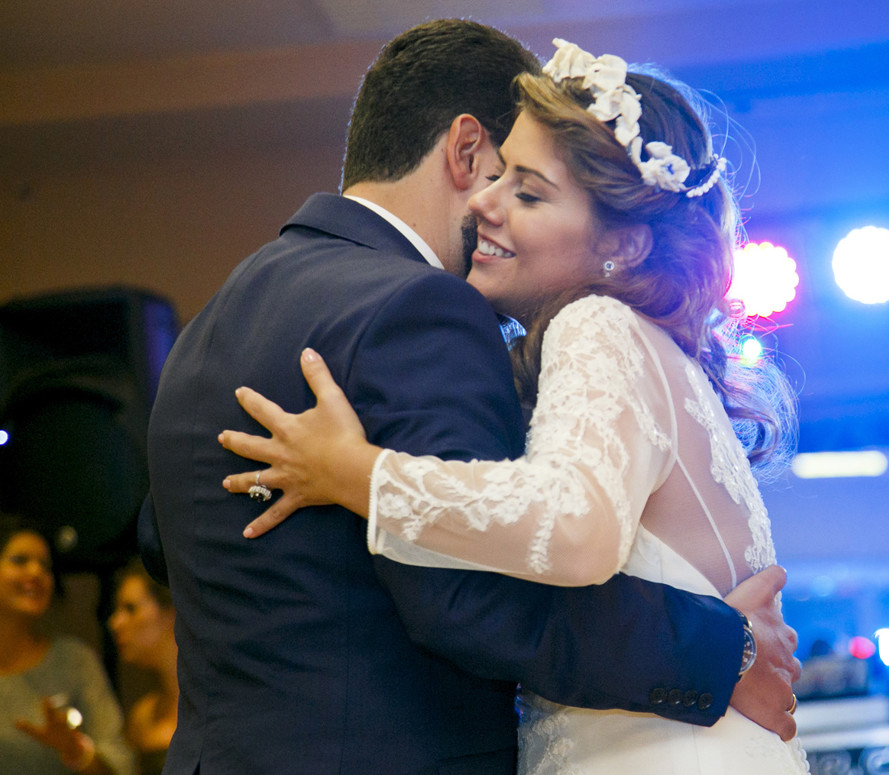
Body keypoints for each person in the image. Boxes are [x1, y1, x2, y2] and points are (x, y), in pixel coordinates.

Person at [139, 20, 800, 775]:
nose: (493, 207)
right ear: (465, 150)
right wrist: (724, 649)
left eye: (528, 190)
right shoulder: (422, 308)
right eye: (502, 176)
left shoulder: (211, 321)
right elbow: (474, 598)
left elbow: (165, 537)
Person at [0, 514, 135, 775]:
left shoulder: (74, 661)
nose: (36, 572)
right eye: (20, 561)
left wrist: (77, 751)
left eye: (46, 566)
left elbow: (122, 766)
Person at [108, 559, 177, 775]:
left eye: (130, 608)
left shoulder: (227, 709)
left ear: (172, 611)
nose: (115, 622)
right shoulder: (142, 717)